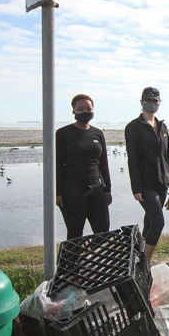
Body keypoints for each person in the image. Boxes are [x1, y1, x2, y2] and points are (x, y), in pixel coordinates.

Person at [124, 86, 169, 263]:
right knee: (158, 222)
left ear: (159, 103)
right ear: (142, 102)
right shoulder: (133, 127)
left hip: (162, 182)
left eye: (155, 101)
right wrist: (136, 188)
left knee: (150, 222)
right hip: (146, 185)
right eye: (149, 100)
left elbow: (168, 155)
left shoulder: (162, 126)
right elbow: (132, 159)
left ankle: (137, 255)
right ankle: (145, 262)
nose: (152, 104)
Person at [56, 93, 112, 239]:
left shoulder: (97, 134)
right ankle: (70, 262)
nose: (85, 112)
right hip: (72, 191)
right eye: (80, 109)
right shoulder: (62, 134)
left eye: (88, 109)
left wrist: (107, 190)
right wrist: (58, 192)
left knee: (103, 230)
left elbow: (104, 164)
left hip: (96, 189)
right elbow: (57, 165)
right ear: (74, 111)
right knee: (75, 233)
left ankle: (99, 261)